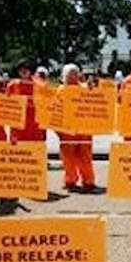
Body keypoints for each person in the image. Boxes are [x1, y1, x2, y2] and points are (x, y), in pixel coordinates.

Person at [57, 64, 97, 193]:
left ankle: (88, 181)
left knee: (85, 155)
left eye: (75, 73)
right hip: (66, 129)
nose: (73, 76)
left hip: (83, 129)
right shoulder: (61, 90)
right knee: (68, 157)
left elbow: (95, 99)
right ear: (65, 75)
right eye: (70, 73)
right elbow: (54, 109)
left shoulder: (85, 88)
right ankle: (70, 180)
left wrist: (93, 88)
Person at [6, 59, 47, 142]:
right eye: (20, 69)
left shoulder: (40, 85)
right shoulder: (12, 85)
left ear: (30, 70)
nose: (23, 71)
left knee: (35, 148)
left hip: (35, 124)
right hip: (17, 124)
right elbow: (6, 104)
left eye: (26, 68)